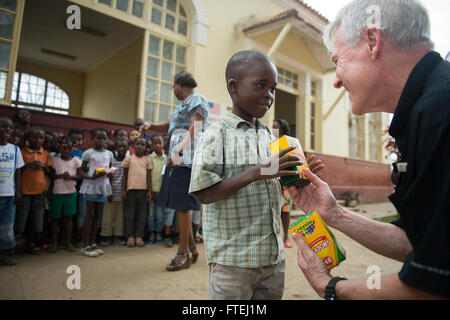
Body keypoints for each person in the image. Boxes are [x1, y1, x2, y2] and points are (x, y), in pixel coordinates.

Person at [288, 0, 450, 299]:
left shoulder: (439, 111)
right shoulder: (429, 105)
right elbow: (422, 243)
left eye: (338, 61)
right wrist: (334, 214)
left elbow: (433, 285)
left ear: (373, 42)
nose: (335, 80)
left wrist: (331, 288)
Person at [189, 50, 321, 299]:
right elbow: (204, 194)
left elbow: (276, 181)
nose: (268, 95)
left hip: (272, 259)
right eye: (261, 85)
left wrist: (301, 176)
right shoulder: (216, 136)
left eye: (273, 88)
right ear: (234, 86)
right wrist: (255, 173)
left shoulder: (268, 136)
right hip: (234, 262)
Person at [141, 71, 211, 271]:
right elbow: (169, 126)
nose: (173, 90)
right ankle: (191, 248)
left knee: (183, 205)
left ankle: (183, 254)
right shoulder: (181, 106)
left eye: (173, 86)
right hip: (177, 156)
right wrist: (151, 126)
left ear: (180, 84)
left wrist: (179, 150)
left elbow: (196, 126)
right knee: (180, 204)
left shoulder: (197, 99)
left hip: (185, 157)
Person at [15, 126, 51, 255]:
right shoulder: (21, 151)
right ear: (29, 138)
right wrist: (28, 165)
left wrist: (42, 167)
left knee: (36, 219)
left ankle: (32, 243)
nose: (38, 140)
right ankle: (18, 245)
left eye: (41, 137)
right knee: (21, 219)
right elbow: (17, 170)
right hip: (24, 191)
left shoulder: (45, 153)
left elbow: (49, 170)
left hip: (40, 192)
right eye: (35, 137)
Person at [78, 128, 113, 257]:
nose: (102, 141)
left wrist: (109, 174)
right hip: (91, 186)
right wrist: (90, 177)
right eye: (98, 138)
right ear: (92, 139)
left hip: (103, 187)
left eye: (104, 138)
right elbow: (81, 171)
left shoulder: (109, 154)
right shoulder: (88, 153)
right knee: (89, 216)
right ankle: (84, 245)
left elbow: (108, 168)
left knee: (98, 216)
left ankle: (92, 243)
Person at [48, 136, 81, 253]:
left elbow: (80, 176)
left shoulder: (76, 160)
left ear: (73, 148)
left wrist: (70, 177)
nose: (66, 150)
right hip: (57, 193)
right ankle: (54, 243)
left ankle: (68, 242)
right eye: (63, 148)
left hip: (71, 193)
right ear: (59, 148)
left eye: (69, 148)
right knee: (55, 219)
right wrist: (61, 176)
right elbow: (51, 176)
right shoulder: (55, 160)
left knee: (68, 219)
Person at [0, 118, 24, 266]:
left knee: (7, 225)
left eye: (9, 129)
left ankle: (5, 252)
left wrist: (18, 191)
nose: (7, 131)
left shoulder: (14, 149)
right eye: (3, 127)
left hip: (8, 193)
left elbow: (18, 172)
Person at [121, 137, 152, 247]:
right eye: (137, 144)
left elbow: (149, 177)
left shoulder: (147, 160)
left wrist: (149, 191)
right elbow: (124, 176)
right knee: (129, 214)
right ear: (133, 147)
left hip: (143, 191)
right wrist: (123, 190)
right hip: (131, 190)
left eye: (142, 145)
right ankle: (129, 236)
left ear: (145, 147)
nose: (140, 146)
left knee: (141, 214)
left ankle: (139, 236)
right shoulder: (128, 159)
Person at [99, 138, 127, 246]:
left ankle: (117, 236)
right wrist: (108, 192)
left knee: (120, 217)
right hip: (110, 193)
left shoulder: (128, 161)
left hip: (122, 194)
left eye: (124, 147)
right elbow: (106, 176)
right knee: (108, 216)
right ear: (115, 149)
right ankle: (105, 236)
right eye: (119, 147)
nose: (121, 149)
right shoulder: (111, 161)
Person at [147, 135, 166, 244]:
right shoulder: (149, 158)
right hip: (151, 190)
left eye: (159, 143)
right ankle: (151, 232)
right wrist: (150, 190)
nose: (157, 145)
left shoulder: (166, 158)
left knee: (159, 214)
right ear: (152, 145)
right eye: (155, 143)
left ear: (163, 144)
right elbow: (148, 175)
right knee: (151, 213)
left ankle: (158, 232)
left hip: (161, 191)